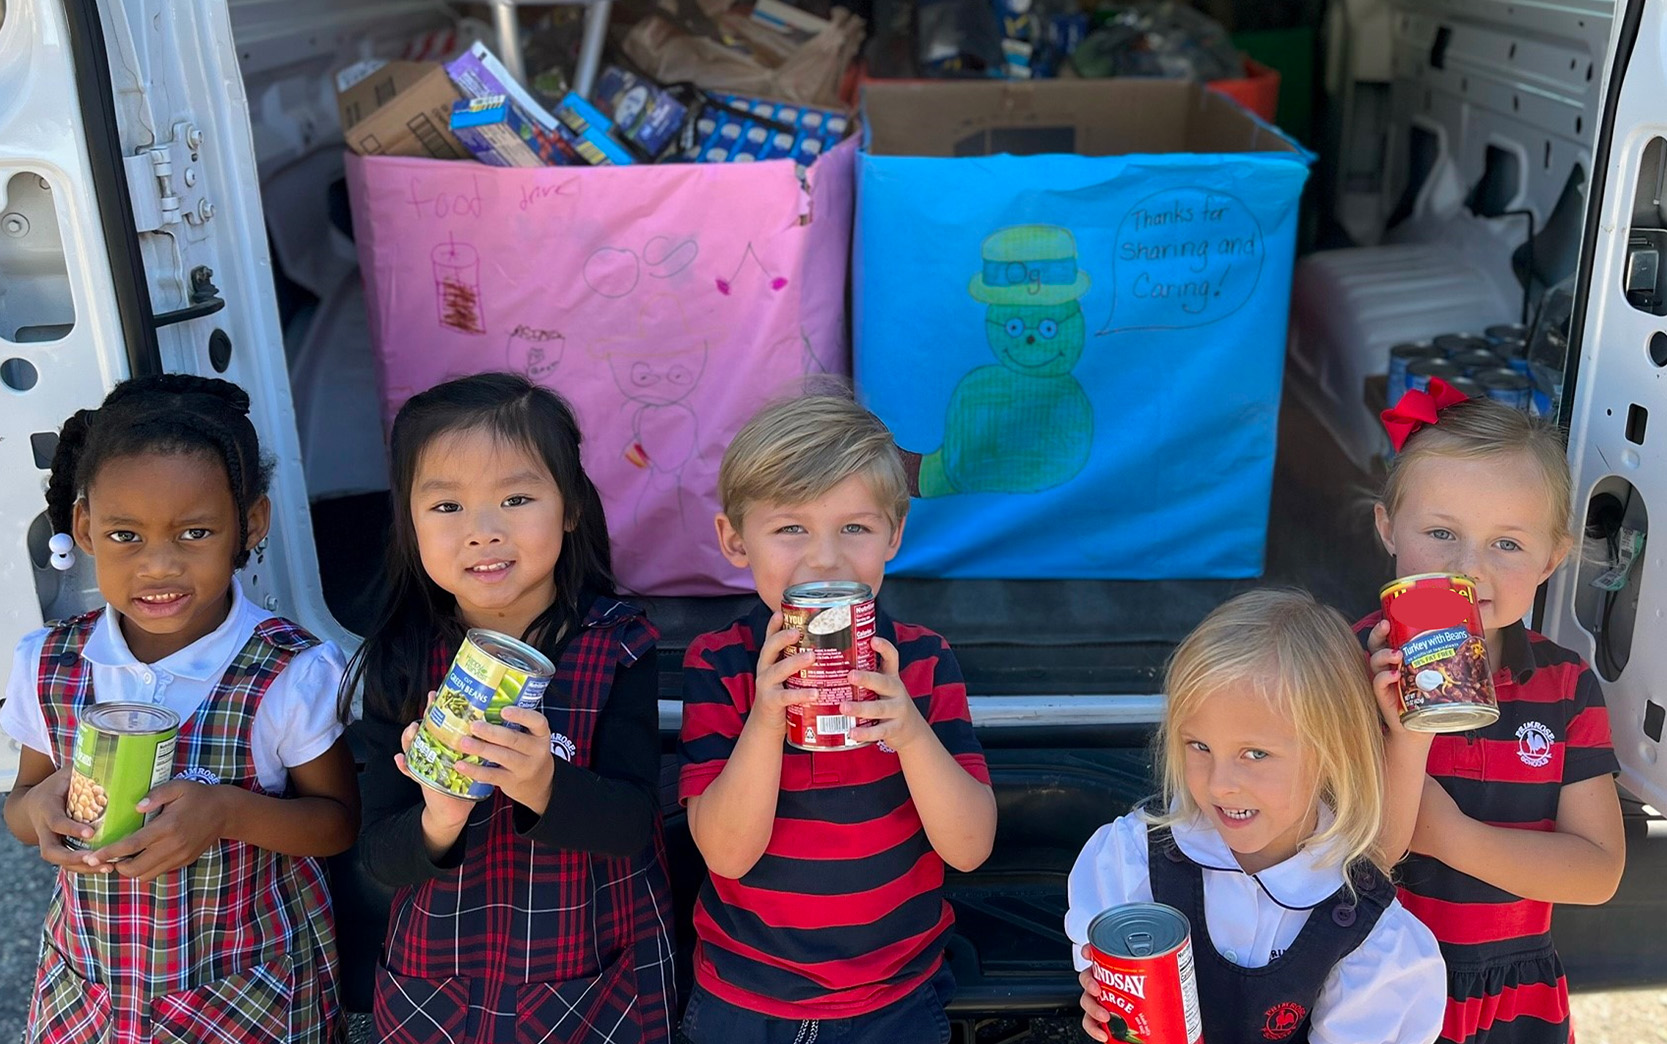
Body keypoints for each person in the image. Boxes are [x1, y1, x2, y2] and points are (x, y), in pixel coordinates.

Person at [2, 374, 356, 1043]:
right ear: (84, 528)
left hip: (246, 999)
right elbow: (20, 808)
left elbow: (336, 824)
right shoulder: (48, 664)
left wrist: (225, 811)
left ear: (249, 523)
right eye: (125, 535)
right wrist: (38, 812)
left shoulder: (289, 672)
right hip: (92, 995)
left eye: (193, 532)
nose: (157, 565)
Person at [346, 373, 675, 1044]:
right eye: (447, 508)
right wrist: (437, 819)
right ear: (408, 521)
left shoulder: (619, 645)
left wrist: (542, 785)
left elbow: (635, 824)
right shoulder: (400, 658)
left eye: (516, 498)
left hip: (591, 970)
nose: (483, 532)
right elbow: (378, 857)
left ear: (571, 507)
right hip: (439, 978)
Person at [677, 395, 996, 1043]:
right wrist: (766, 720)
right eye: (790, 529)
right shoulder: (718, 664)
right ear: (734, 541)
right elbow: (727, 855)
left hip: (894, 997)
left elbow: (969, 849)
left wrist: (908, 730)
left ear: (893, 537)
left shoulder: (924, 660)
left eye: (854, 528)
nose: (823, 560)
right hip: (744, 994)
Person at [1363, 381, 1626, 1044]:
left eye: (1505, 544)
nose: (1467, 569)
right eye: (1440, 532)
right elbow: (1361, 862)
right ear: (1387, 528)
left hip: (1514, 994)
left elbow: (1596, 873)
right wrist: (1406, 735)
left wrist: (1451, 836)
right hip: (1377, 981)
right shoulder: (1344, 668)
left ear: (1551, 559)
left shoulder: (1564, 685)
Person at [1066, 589, 1447, 1044]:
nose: (1220, 783)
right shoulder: (1132, 860)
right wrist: (1105, 1003)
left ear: (1333, 754)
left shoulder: (1366, 932)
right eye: (1199, 746)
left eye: (1255, 753)